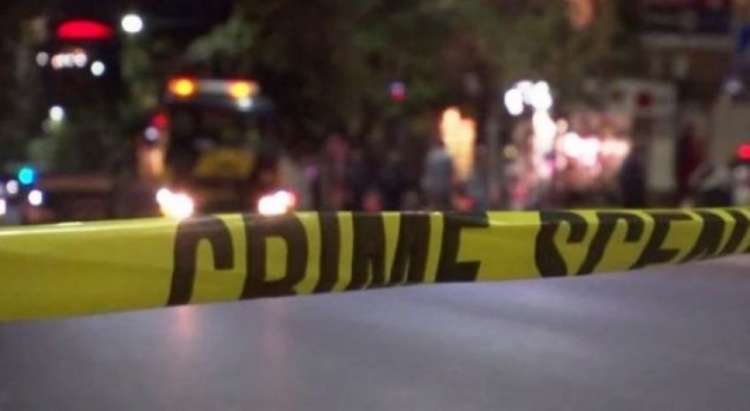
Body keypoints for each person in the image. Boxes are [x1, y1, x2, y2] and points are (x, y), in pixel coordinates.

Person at [421, 138, 455, 210]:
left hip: (430, 186)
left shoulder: (431, 155)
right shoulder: (447, 156)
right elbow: (450, 173)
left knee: (433, 205)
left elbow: (427, 170)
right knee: (442, 206)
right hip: (443, 186)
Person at [618, 144, 648, 208]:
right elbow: (638, 173)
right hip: (633, 185)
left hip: (629, 185)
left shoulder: (629, 159)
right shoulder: (635, 160)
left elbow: (623, 174)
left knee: (629, 201)